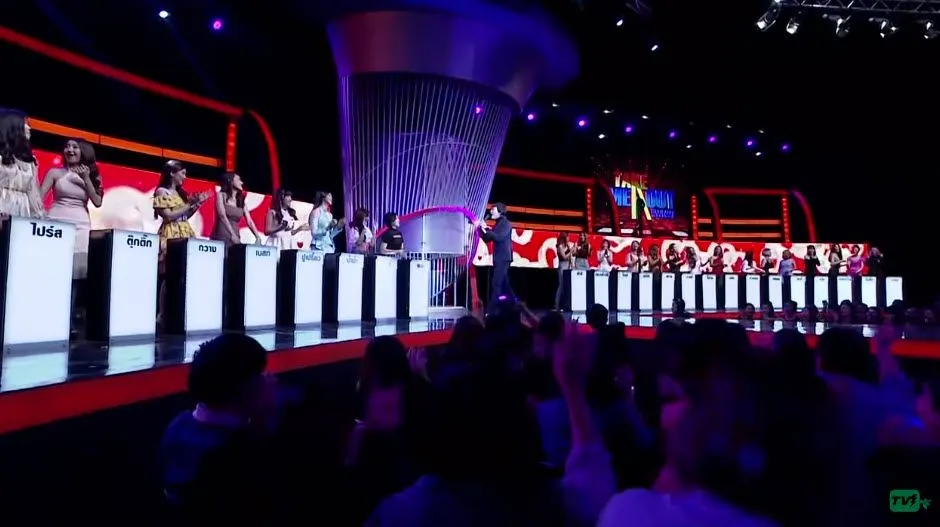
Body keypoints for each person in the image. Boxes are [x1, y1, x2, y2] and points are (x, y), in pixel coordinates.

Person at [160, 334, 278, 521]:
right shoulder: (236, 453)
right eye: (261, 374)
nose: (269, 379)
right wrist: (264, 416)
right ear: (246, 387)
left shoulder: (178, 425)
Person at [41, 139, 103, 331]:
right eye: (67, 146)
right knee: (54, 271)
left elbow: (97, 201)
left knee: (76, 275)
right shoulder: (55, 173)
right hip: (56, 223)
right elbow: (38, 198)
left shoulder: (92, 176)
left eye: (75, 147)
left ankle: (69, 319)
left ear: (83, 151)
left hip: (80, 226)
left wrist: (86, 178)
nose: (70, 150)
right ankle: (48, 314)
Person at [153, 160, 210, 326]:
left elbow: (183, 216)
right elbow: (168, 216)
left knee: (185, 274)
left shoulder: (179, 193)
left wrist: (196, 205)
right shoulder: (161, 191)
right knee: (169, 276)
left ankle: (181, 311)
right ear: (172, 173)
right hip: (171, 234)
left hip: (184, 232)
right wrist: (189, 204)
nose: (185, 177)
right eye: (183, 173)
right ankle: (163, 314)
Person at [0, 109, 44, 219]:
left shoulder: (29, 161)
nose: (29, 128)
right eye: (25, 124)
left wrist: (38, 216)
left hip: (22, 212)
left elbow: (33, 192)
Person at [477, 203, 514, 308]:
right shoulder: (498, 224)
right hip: (499, 258)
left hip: (503, 258)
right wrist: (480, 228)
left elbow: (498, 237)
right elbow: (487, 239)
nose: (491, 211)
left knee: (496, 283)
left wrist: (486, 228)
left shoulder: (506, 223)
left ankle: (491, 310)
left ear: (500, 211)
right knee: (504, 285)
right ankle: (514, 305)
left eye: (493, 209)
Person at [210, 172, 261, 248]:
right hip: (222, 235)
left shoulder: (241, 200)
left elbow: (249, 221)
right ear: (231, 181)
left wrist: (257, 237)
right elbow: (222, 215)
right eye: (239, 180)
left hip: (236, 237)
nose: (242, 183)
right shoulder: (220, 195)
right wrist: (232, 234)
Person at [555, 232, 572, 310]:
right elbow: (564, 257)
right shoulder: (560, 246)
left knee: (566, 286)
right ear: (564, 238)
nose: (569, 238)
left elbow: (569, 257)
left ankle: (565, 305)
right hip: (562, 266)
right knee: (561, 286)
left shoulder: (567, 246)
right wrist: (571, 251)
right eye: (568, 237)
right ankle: (557, 305)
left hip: (568, 266)